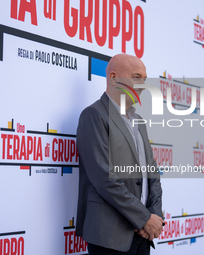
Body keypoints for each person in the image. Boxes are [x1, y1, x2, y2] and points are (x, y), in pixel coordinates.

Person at [75, 54, 164, 255]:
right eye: (136, 77)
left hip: (143, 235)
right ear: (114, 77)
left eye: (144, 79)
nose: (142, 85)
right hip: (110, 236)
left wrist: (154, 216)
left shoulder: (138, 120)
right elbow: (104, 178)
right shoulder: (94, 115)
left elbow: (153, 174)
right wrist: (144, 219)